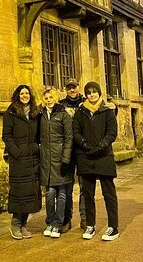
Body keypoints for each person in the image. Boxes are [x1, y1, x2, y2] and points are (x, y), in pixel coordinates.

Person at [73, 82, 120, 241]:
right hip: (85, 156)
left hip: (104, 155)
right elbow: (76, 131)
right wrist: (85, 144)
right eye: (89, 92)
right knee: (88, 194)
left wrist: (101, 145)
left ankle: (113, 227)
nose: (92, 95)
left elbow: (112, 132)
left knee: (109, 193)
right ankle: (90, 225)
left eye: (94, 92)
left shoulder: (107, 111)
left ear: (99, 93)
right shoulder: (81, 111)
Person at [2, 85, 42, 240]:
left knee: (31, 192)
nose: (25, 96)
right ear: (17, 96)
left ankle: (23, 224)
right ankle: (15, 224)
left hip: (32, 158)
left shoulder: (35, 113)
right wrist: (16, 152)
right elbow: (6, 136)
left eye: (27, 93)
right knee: (19, 191)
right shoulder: (11, 113)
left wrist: (36, 148)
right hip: (18, 159)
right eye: (22, 93)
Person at [39, 87, 73, 238]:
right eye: (46, 98)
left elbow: (69, 138)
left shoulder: (63, 114)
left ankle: (58, 223)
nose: (49, 100)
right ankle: (50, 222)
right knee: (50, 193)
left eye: (51, 97)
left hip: (60, 159)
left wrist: (66, 159)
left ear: (56, 98)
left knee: (62, 193)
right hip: (47, 159)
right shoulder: (41, 114)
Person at [59, 78, 85, 232]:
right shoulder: (61, 105)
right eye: (69, 88)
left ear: (78, 87)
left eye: (74, 87)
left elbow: (102, 110)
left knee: (84, 186)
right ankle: (66, 219)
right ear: (65, 89)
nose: (72, 90)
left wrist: (113, 106)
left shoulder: (86, 102)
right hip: (67, 151)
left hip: (82, 150)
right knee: (66, 187)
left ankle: (85, 218)